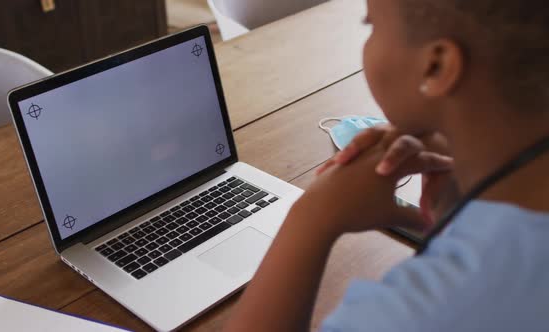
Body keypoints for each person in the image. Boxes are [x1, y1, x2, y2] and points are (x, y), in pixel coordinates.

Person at [222, 0, 549, 331]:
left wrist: (312, 217)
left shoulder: (422, 311)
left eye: (371, 25)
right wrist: (456, 203)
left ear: (436, 66)